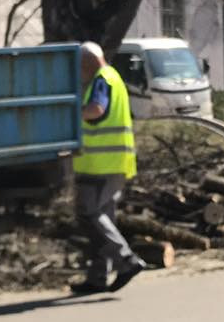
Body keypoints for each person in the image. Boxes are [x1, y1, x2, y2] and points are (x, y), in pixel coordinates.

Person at [70, 42, 149, 295]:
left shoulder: (101, 79)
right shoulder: (112, 77)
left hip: (100, 164)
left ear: (89, 62)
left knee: (89, 214)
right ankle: (98, 277)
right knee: (102, 220)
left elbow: (96, 110)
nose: (79, 71)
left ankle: (127, 260)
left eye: (80, 65)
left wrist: (70, 112)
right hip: (111, 162)